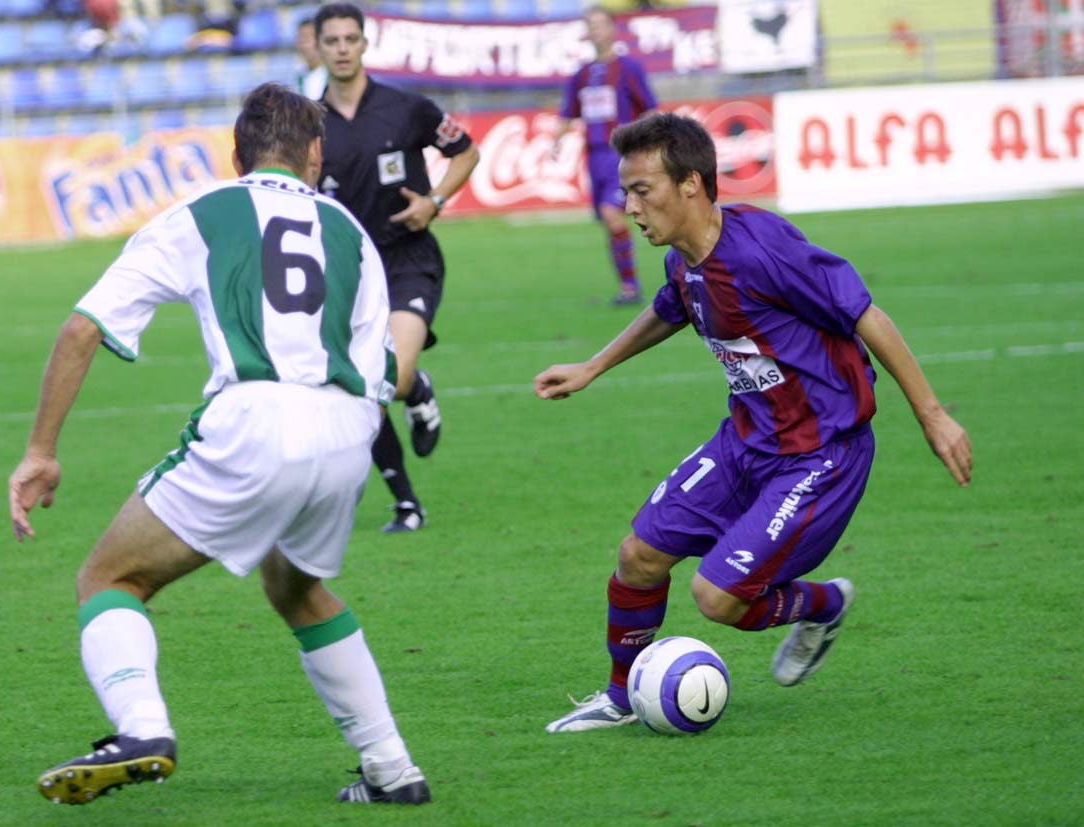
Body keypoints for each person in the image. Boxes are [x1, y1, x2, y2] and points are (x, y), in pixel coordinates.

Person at [8, 83, 431, 806]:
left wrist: (41, 450)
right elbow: (386, 371)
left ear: (237, 155)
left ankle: (142, 726)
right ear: (316, 154)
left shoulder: (205, 212)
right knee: (295, 585)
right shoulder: (347, 229)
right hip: (346, 431)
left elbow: (83, 328)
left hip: (254, 420)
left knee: (110, 579)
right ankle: (392, 768)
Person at [535, 113, 972, 733]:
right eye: (626, 191)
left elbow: (866, 315)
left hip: (821, 453)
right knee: (638, 557)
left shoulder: (763, 250)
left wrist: (932, 415)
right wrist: (594, 366)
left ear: (690, 184)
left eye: (641, 190)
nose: (628, 206)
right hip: (746, 441)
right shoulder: (685, 260)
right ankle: (619, 698)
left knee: (716, 598)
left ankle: (824, 603)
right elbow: (671, 310)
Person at [314, 3, 480, 533]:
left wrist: (434, 200)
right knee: (362, 386)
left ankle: (416, 385)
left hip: (408, 258)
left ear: (364, 44)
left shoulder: (407, 108)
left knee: (390, 376)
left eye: (349, 39)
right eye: (331, 40)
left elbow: (466, 153)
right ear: (317, 48)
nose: (341, 48)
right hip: (348, 272)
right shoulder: (308, 125)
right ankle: (406, 504)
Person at [553, 6, 657, 306]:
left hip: (622, 155)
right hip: (594, 156)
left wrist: (651, 140)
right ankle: (628, 285)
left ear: (613, 29)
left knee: (614, 215)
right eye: (591, 24)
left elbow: (649, 107)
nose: (596, 29)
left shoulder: (628, 68)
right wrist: (556, 142)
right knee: (608, 220)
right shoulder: (581, 75)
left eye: (600, 23)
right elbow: (568, 112)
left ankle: (631, 287)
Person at [295, 16, 329, 100]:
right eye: (300, 38)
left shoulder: (334, 75)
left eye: (308, 37)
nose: (303, 44)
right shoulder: (298, 77)